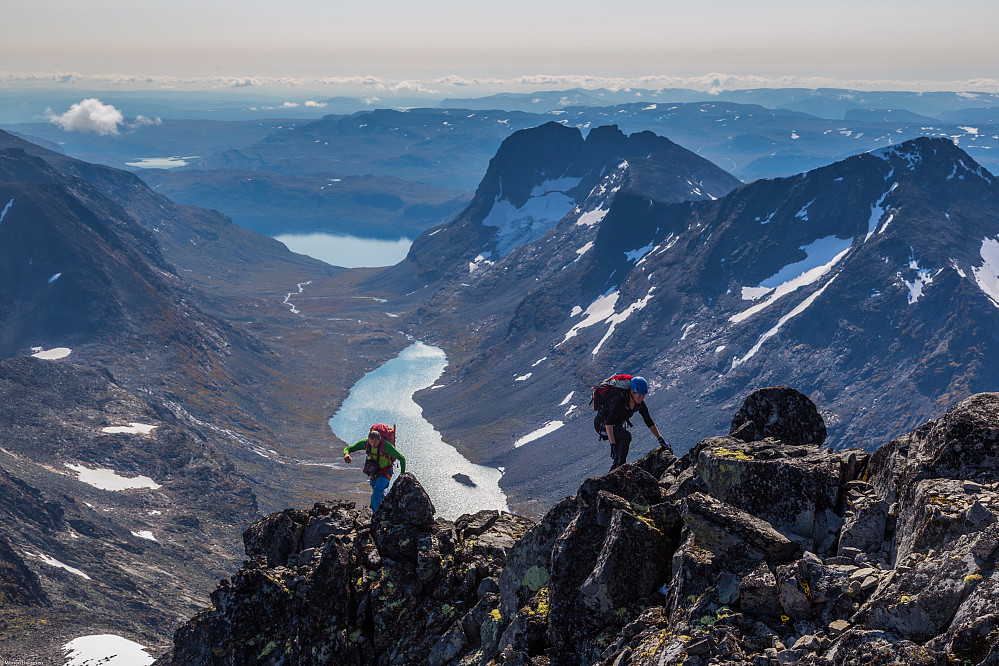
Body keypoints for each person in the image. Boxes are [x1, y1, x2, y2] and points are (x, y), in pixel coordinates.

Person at [599, 376, 667, 471]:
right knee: (626, 437)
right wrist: (613, 444)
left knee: (618, 455)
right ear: (632, 392)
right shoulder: (620, 401)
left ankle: (615, 472)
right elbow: (608, 424)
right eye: (639, 395)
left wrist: (660, 440)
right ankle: (621, 468)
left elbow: (649, 422)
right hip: (602, 426)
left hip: (615, 426)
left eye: (643, 395)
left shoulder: (639, 404)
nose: (641, 398)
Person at [343, 426, 406, 511]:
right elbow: (349, 448)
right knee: (378, 494)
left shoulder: (386, 446)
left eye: (375, 442)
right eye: (371, 442)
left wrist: (402, 476)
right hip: (374, 474)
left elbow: (402, 458)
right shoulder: (366, 443)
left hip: (385, 473)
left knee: (376, 493)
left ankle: (376, 517)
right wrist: (346, 454)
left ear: (380, 440)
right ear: (368, 440)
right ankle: (386, 510)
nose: (373, 445)